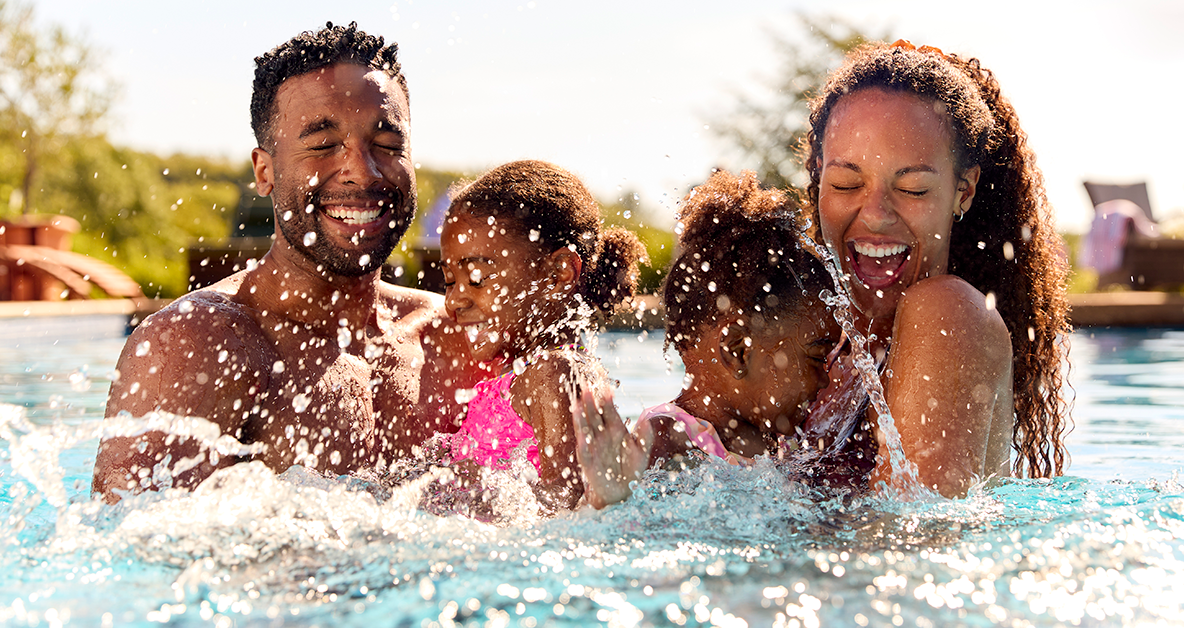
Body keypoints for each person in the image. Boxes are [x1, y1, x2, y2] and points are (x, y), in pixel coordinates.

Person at [91, 23, 485, 502]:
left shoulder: (456, 335)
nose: (363, 170)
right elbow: (134, 557)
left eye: (387, 145)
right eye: (322, 145)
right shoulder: (197, 345)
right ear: (265, 170)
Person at [803, 40, 1071, 497]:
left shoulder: (947, 313)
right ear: (818, 178)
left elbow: (910, 543)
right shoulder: (825, 340)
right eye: (847, 183)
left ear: (963, 192)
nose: (875, 214)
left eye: (912, 188)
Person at [573, 170, 854, 509]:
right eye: (816, 357)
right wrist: (613, 501)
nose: (826, 378)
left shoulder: (784, 442)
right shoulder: (666, 440)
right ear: (737, 350)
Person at [437, 160, 647, 511]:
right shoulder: (535, 372)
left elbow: (564, 505)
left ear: (558, 273)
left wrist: (464, 499)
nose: (453, 299)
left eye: (476, 278)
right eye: (448, 281)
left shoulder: (554, 373)